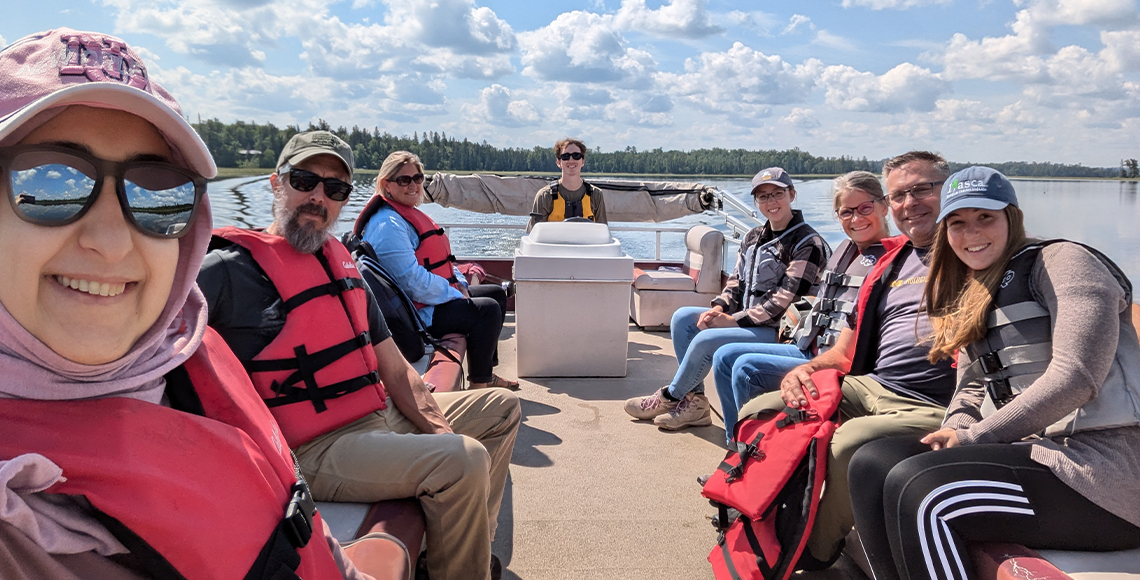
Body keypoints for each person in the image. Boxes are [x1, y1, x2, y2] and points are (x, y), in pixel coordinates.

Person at [0, 28, 403, 579]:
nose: (112, 241)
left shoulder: (189, 357)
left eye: (156, 189)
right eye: (50, 181)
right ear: (277, 184)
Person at [198, 132, 521, 580]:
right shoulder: (226, 272)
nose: (318, 197)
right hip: (313, 447)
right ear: (276, 183)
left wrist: (438, 430)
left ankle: (464, 554)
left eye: (335, 189)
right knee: (461, 460)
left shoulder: (341, 263)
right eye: (304, 180)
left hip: (374, 416)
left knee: (499, 408)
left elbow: (395, 369)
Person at [848, 167, 1140, 580]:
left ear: (1011, 218)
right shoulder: (973, 288)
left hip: (1103, 475)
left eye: (985, 217)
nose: (971, 233)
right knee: (872, 462)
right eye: (957, 223)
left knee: (931, 493)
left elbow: (1077, 375)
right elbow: (970, 387)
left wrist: (973, 438)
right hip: (1030, 453)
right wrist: (955, 431)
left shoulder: (1064, 262)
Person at [736, 151, 959, 570]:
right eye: (900, 195)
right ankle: (751, 515)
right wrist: (804, 370)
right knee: (759, 410)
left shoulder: (972, 253)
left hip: (932, 403)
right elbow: (843, 351)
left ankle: (811, 553)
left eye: (923, 189)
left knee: (850, 443)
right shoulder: (891, 261)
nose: (910, 202)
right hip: (871, 384)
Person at [624, 167, 829, 431]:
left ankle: (670, 397)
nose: (771, 202)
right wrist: (720, 306)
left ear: (792, 194)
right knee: (684, 318)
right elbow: (736, 282)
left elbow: (785, 300)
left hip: (780, 331)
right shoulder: (753, 237)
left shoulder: (807, 242)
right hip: (747, 321)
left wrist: (732, 320)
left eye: (777, 194)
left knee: (707, 339)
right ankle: (695, 403)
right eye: (763, 197)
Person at [710, 170, 891, 443]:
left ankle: (753, 450)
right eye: (845, 212)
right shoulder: (846, 251)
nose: (856, 219)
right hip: (810, 345)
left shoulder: (890, 257)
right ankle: (735, 446)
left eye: (865, 208)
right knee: (724, 357)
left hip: (836, 359)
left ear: (884, 206)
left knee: (745, 367)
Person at [355, 150, 519, 390]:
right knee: (487, 310)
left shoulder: (402, 214)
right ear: (386, 185)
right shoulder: (387, 225)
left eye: (418, 178)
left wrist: (461, 285)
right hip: (417, 315)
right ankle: (479, 388)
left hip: (430, 301)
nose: (413, 185)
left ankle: (485, 373)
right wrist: (455, 293)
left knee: (495, 294)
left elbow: (440, 263)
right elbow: (410, 282)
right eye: (404, 179)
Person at [526, 138, 606, 232]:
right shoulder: (544, 196)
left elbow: (603, 234)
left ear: (583, 161)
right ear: (558, 162)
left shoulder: (596, 195)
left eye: (576, 155)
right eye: (565, 156)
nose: (571, 160)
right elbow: (535, 236)